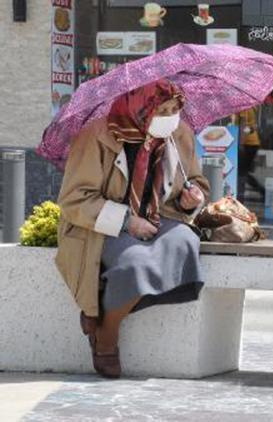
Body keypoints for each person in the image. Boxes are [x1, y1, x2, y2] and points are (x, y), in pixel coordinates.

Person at [55, 80, 210, 379]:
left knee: (183, 243)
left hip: (158, 218)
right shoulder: (97, 135)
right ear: (141, 108)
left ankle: (100, 315)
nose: (171, 116)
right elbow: (75, 200)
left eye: (175, 109)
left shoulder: (179, 134)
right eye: (162, 109)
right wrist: (127, 221)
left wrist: (194, 200)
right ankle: (107, 334)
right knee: (135, 266)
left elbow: (196, 180)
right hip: (101, 226)